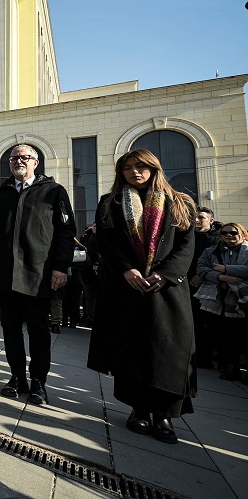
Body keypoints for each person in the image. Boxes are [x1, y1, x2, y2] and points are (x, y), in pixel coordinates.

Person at [88, 148, 196, 445]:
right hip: (128, 288)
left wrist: (165, 273)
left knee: (167, 352)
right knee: (131, 349)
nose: (135, 172)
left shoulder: (180, 202)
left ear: (154, 168)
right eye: (128, 168)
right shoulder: (109, 203)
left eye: (141, 166)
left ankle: (163, 415)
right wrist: (126, 270)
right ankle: (139, 409)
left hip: (166, 290)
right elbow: (106, 242)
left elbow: (186, 245)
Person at [0, 144, 76, 405]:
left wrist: (60, 266)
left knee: (38, 329)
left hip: (38, 273)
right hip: (5, 273)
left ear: (36, 162)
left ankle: (39, 382)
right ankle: (17, 377)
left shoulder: (54, 192)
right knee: (10, 327)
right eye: (14, 158)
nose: (18, 161)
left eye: (24, 157)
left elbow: (66, 232)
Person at [196, 222, 248, 382]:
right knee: (225, 336)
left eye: (233, 232)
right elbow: (201, 269)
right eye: (224, 233)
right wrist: (222, 277)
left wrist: (225, 269)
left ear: (242, 233)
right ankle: (232, 368)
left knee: (245, 337)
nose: (228, 236)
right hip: (219, 299)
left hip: (243, 300)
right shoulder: (211, 251)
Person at [189, 206, 220, 367]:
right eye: (195, 217)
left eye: (201, 217)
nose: (196, 220)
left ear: (211, 220)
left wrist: (201, 276)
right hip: (187, 284)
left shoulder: (217, 239)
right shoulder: (187, 235)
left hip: (208, 286)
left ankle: (209, 357)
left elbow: (218, 263)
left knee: (208, 323)